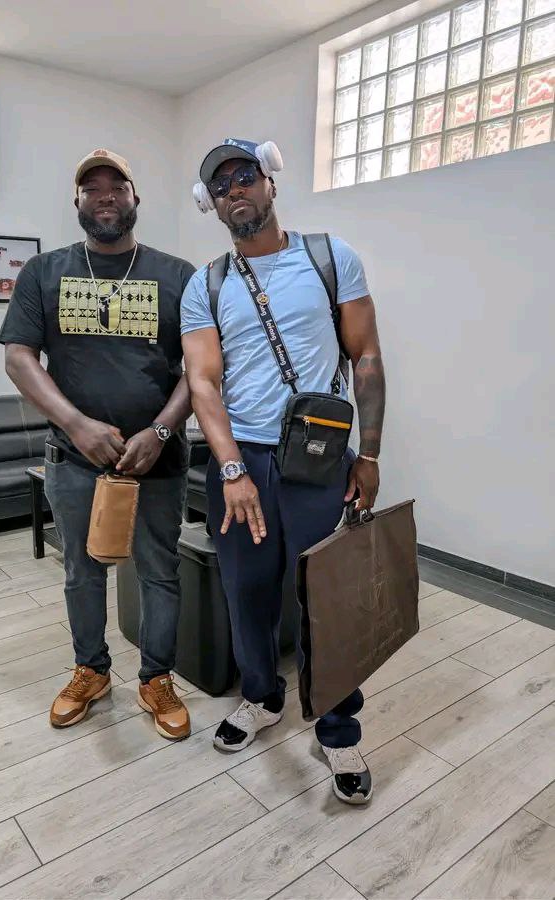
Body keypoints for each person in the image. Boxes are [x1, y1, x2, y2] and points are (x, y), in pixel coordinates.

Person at [181, 138, 385, 803]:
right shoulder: (206, 284)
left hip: (318, 457)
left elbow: (367, 357)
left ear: (270, 180)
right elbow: (203, 383)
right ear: (211, 205)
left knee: (326, 594)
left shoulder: (330, 257)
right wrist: (230, 467)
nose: (234, 190)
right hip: (240, 462)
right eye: (221, 186)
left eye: (245, 175)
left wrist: (370, 453)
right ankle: (262, 697)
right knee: (247, 591)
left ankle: (337, 726)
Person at [0, 148, 195, 740]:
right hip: (74, 460)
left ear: (136, 198)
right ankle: (91, 670)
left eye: (117, 186)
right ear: (77, 202)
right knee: (82, 574)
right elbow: (19, 357)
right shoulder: (44, 272)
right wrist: (76, 424)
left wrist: (161, 430)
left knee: (160, 573)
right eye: (92, 188)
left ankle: (156, 678)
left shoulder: (178, 275)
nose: (105, 195)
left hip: (157, 460)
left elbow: (203, 368)